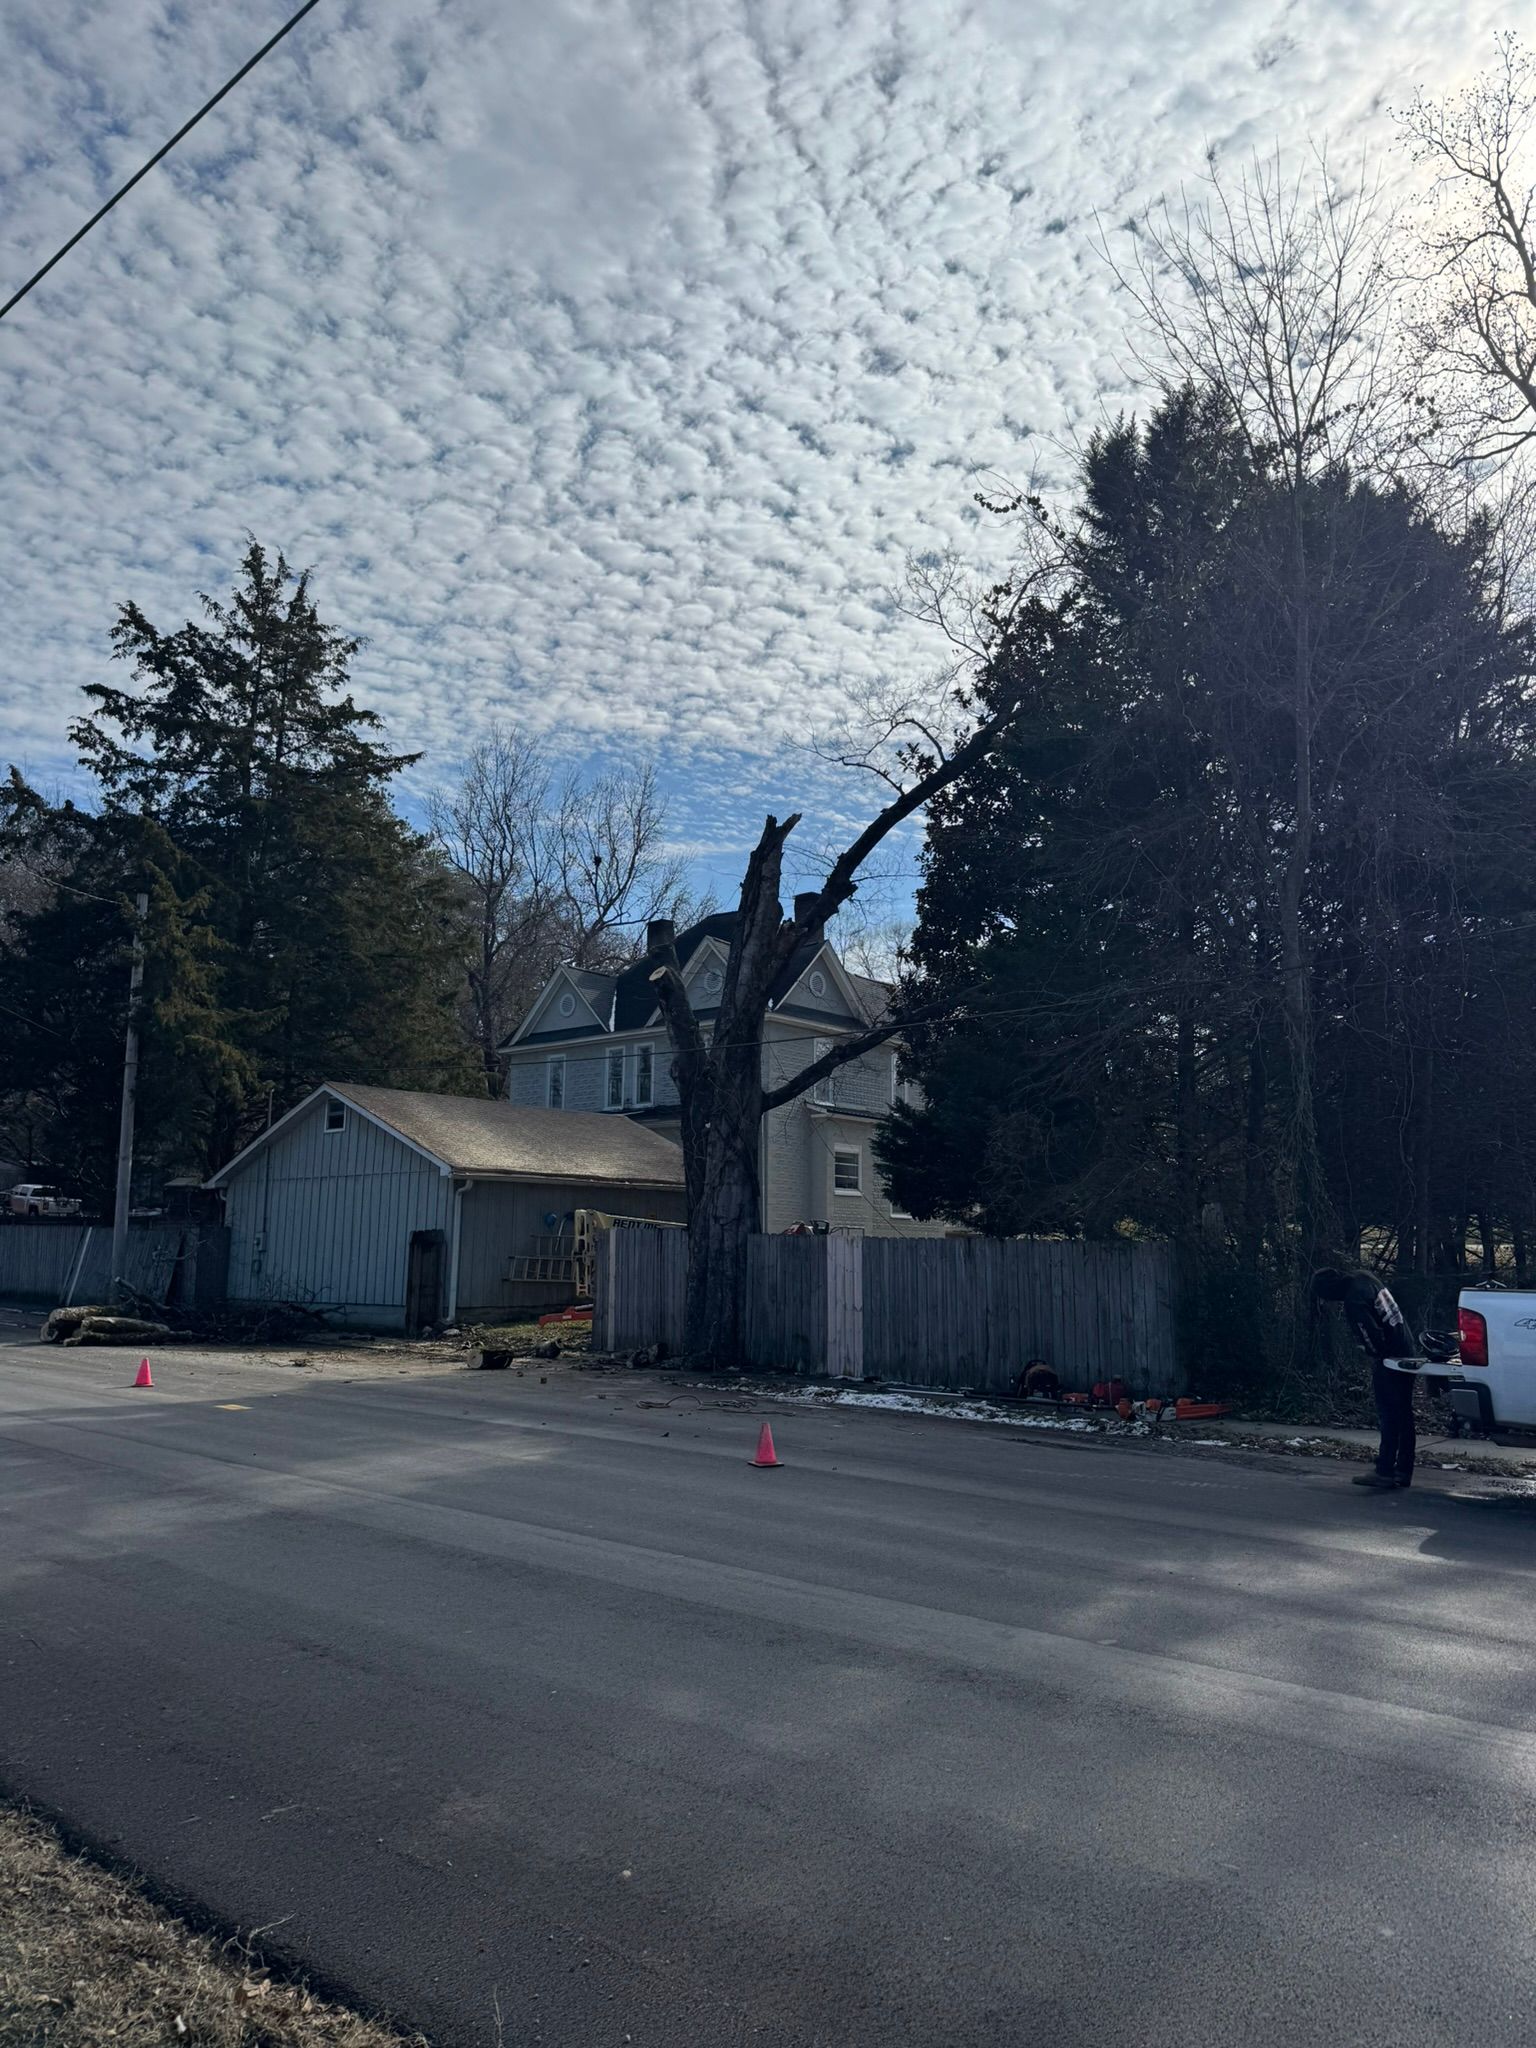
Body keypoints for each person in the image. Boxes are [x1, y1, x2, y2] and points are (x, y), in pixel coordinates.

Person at [1311, 1268, 1418, 1491]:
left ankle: (1385, 1470)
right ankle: (1403, 1470)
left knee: (1388, 1413)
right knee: (1404, 1414)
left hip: (1390, 1359)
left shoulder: (1354, 1301)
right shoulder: (1365, 1278)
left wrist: (1374, 1354)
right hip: (1407, 1348)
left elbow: (1371, 1336)